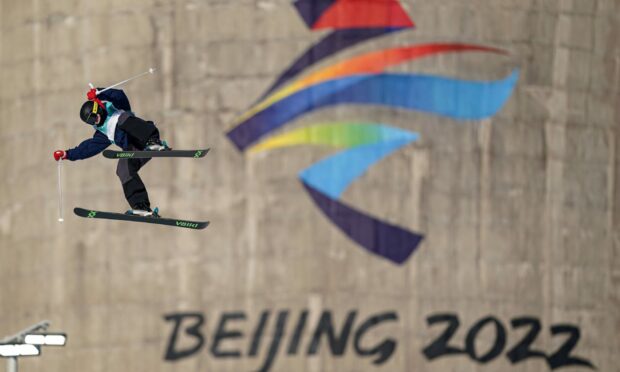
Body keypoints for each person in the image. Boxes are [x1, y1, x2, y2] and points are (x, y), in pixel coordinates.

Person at [53, 88, 170, 217]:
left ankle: (154, 142)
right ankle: (141, 206)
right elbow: (86, 148)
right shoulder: (103, 134)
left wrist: (99, 91)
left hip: (145, 136)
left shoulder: (118, 108)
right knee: (123, 169)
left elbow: (119, 95)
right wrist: (67, 154)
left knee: (122, 118)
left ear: (97, 109)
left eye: (94, 117)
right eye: (91, 122)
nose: (95, 122)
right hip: (136, 149)